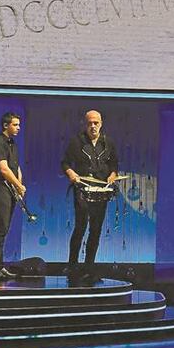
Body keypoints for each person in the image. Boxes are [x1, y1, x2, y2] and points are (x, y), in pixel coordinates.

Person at [61, 110, 118, 279]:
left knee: (96, 229)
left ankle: (89, 267)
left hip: (101, 191)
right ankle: (72, 266)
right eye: (90, 123)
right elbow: (65, 163)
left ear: (101, 124)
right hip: (82, 190)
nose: (93, 126)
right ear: (85, 124)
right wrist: (71, 174)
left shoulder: (108, 143)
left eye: (96, 123)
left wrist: (112, 176)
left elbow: (114, 164)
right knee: (80, 227)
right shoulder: (76, 142)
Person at [0, 112, 25, 282]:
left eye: (19, 125)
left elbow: (16, 167)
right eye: (15, 125)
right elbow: (3, 169)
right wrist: (18, 185)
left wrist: (19, 187)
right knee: (1, 226)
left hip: (10, 189)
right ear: (5, 125)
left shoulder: (13, 144)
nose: (18, 128)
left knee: (5, 227)